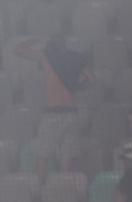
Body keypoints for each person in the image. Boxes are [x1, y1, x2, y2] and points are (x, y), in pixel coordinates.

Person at [15, 35, 92, 181]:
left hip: (53, 114)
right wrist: (76, 87)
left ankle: (40, 193)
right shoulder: (76, 58)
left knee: (43, 156)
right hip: (71, 113)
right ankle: (66, 191)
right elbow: (91, 79)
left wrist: (35, 38)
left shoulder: (47, 57)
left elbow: (18, 50)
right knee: (67, 158)